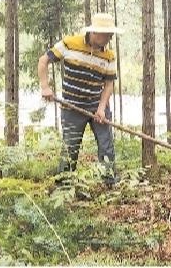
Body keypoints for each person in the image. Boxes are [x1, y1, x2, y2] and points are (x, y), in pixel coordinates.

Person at [38, 13, 121, 185]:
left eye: (111, 35)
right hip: (72, 107)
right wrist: (45, 86)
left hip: (97, 106)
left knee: (106, 145)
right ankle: (63, 185)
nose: (109, 38)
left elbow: (108, 85)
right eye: (107, 35)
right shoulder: (69, 44)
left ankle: (110, 183)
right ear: (95, 32)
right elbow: (43, 60)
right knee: (70, 146)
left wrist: (101, 108)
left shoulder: (109, 56)